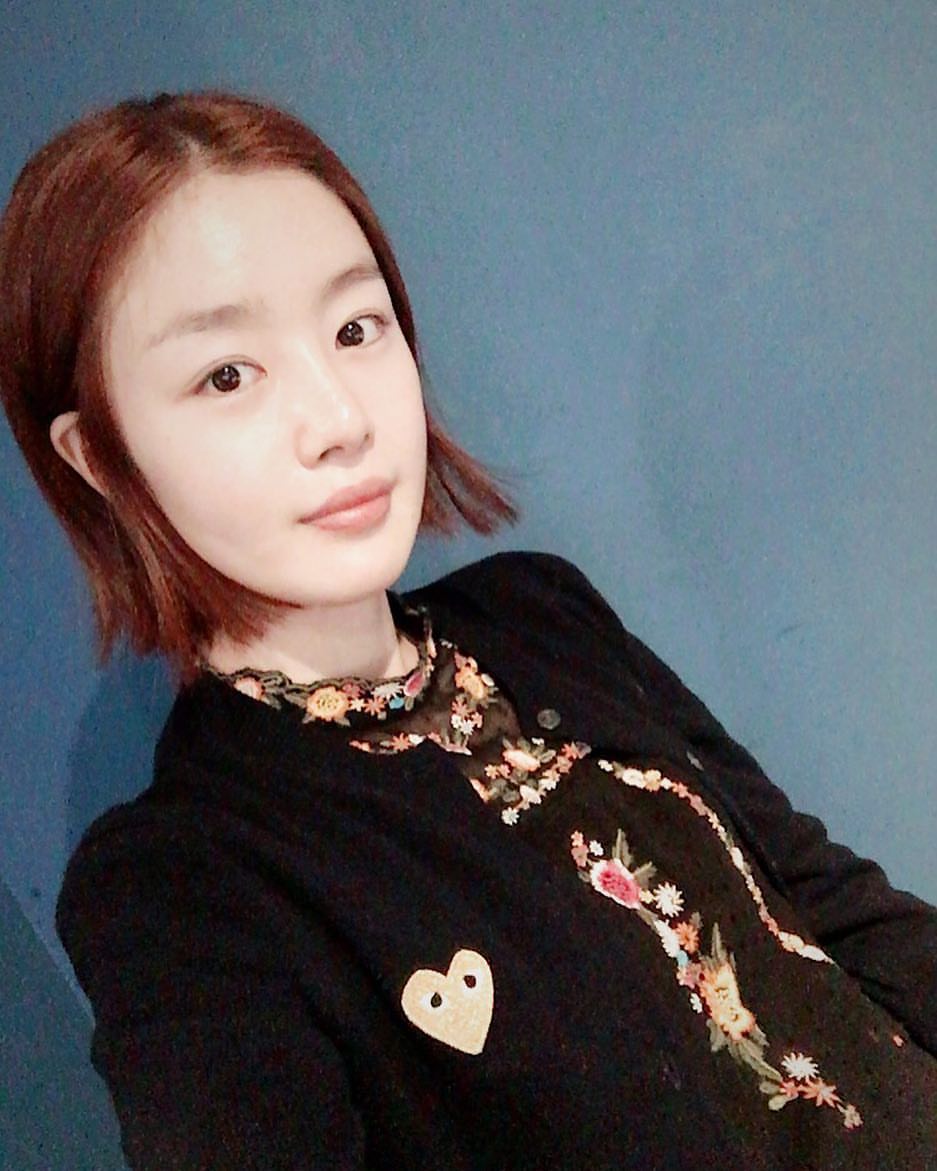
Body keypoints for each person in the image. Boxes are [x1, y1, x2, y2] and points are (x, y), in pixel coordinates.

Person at [1, 90, 934, 1171]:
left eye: (356, 329)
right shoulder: (181, 883)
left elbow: (821, 895)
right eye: (225, 375)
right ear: (101, 458)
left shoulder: (542, 611)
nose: (339, 419)